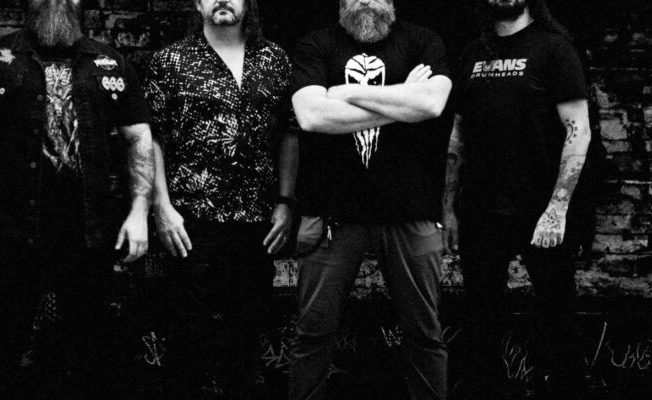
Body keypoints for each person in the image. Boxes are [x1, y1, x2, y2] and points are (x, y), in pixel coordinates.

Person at [0, 0, 154, 399]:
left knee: (93, 351)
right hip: (12, 232)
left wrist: (139, 212)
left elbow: (138, 138)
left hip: (90, 235)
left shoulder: (110, 63)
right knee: (6, 345)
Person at [287, 0, 453, 399]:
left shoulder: (423, 42)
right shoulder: (317, 44)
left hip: (411, 211)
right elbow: (311, 116)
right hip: (333, 213)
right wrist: (404, 101)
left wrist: (345, 93)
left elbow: (432, 104)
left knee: (425, 334)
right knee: (313, 332)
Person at [142, 0, 298, 398]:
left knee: (244, 339)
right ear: (198, 4)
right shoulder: (170, 60)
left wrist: (285, 201)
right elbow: (151, 138)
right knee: (187, 337)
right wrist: (161, 207)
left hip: (256, 222)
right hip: (190, 221)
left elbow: (289, 133)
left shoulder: (274, 59)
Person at [443, 0, 591, 398]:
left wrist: (557, 208)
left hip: (539, 206)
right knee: (481, 315)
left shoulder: (554, 48)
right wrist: (449, 207)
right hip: (480, 207)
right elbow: (458, 135)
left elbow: (578, 130)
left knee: (557, 312)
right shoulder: (473, 53)